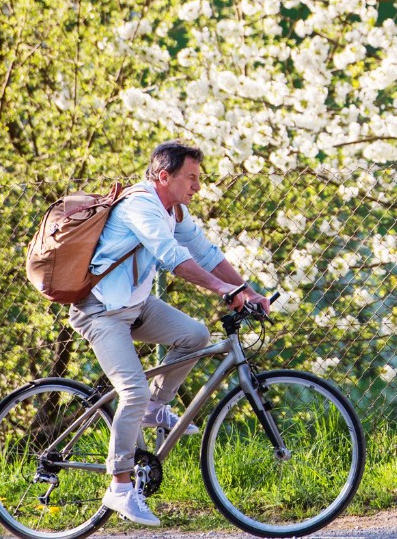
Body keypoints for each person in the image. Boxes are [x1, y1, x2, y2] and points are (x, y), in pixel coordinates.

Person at [69, 140, 270, 527]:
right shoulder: (140, 205)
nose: (198, 186)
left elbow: (207, 254)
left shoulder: (174, 211)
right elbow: (172, 258)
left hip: (136, 305)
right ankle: (119, 487)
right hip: (102, 311)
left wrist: (247, 291)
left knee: (195, 335)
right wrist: (222, 290)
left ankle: (152, 408)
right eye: (191, 178)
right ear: (164, 176)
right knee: (132, 390)